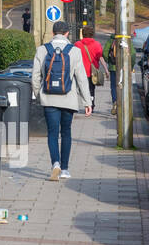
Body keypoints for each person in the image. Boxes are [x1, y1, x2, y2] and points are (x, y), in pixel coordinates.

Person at [31, 20, 92, 181]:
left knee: (52, 133)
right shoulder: (75, 51)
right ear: (66, 34)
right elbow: (81, 79)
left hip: (49, 98)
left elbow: (35, 76)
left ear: (52, 33)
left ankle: (55, 163)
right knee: (66, 133)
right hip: (68, 99)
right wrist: (87, 102)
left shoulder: (42, 50)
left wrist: (39, 94)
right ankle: (65, 169)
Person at [73, 26, 109, 112]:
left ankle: (81, 104)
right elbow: (100, 58)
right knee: (91, 89)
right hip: (92, 72)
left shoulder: (77, 44)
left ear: (83, 34)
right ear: (92, 34)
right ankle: (91, 105)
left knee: (79, 89)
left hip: (80, 71)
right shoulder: (97, 44)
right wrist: (106, 70)